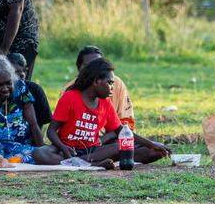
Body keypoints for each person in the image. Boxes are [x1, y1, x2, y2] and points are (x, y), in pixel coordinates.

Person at [36, 57, 170, 168]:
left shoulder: (106, 104)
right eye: (110, 83)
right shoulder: (70, 97)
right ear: (96, 81)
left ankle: (85, 163)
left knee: (123, 147)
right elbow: (51, 131)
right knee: (39, 153)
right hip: (66, 150)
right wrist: (63, 147)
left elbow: (123, 133)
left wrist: (152, 144)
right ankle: (91, 164)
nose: (112, 87)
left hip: (93, 151)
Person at [63, 46, 135, 128]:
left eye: (99, 66)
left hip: (115, 136)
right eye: (89, 66)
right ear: (79, 68)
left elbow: (126, 124)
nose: (94, 71)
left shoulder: (116, 85)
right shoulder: (68, 92)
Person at [9, 52, 52, 129]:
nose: (15, 79)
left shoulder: (35, 90)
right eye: (12, 74)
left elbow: (40, 122)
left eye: (20, 75)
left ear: (25, 72)